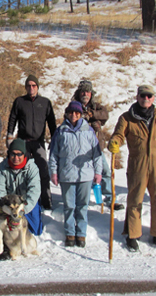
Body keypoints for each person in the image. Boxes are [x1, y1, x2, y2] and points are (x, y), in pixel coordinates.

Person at [108, 85, 156, 252]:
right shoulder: (126, 117)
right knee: (135, 201)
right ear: (137, 97)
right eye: (142, 96)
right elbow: (118, 134)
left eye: (149, 96)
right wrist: (115, 142)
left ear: (153, 98)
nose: (145, 99)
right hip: (137, 165)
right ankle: (133, 235)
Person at [49, 101, 102, 248]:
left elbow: (97, 154)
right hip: (66, 174)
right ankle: (70, 232)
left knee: (82, 205)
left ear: (81, 114)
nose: (74, 115)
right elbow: (53, 154)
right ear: (67, 113)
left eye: (77, 113)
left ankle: (81, 233)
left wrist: (98, 172)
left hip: (85, 175)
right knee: (69, 206)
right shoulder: (61, 131)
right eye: (71, 112)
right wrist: (53, 172)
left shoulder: (88, 131)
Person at [73, 80, 124, 211]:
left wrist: (92, 115)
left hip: (96, 148)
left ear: (91, 93)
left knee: (105, 172)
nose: (85, 94)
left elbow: (105, 115)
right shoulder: (73, 106)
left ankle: (111, 199)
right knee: (79, 174)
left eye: (88, 91)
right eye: (83, 91)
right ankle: (78, 199)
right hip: (80, 148)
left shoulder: (97, 107)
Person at [7, 75, 56, 210]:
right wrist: (10, 135)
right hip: (23, 142)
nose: (31, 88)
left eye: (34, 85)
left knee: (43, 171)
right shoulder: (20, 101)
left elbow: (51, 122)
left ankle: (46, 200)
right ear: (25, 87)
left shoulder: (45, 102)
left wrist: (54, 138)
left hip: (39, 143)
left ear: (38, 87)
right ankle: (22, 199)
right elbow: (12, 119)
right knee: (22, 171)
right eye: (29, 85)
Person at [0, 138, 43, 246]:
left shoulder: (32, 168)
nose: (16, 158)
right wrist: (4, 209)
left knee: (35, 231)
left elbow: (35, 191)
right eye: (13, 154)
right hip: (8, 205)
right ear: (9, 154)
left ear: (24, 154)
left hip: (24, 204)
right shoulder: (3, 167)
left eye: (19, 154)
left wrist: (24, 209)